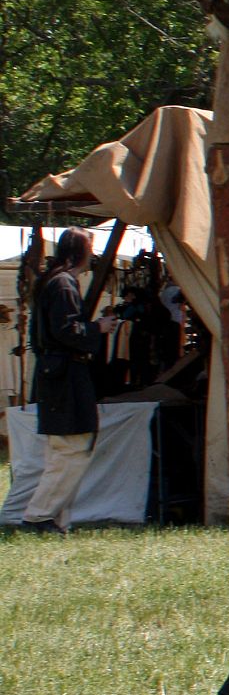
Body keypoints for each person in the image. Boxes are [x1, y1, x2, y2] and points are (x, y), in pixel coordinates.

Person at [23, 228, 113, 533]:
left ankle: (54, 517)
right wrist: (97, 329)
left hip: (56, 374)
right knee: (71, 448)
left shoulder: (54, 281)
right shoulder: (63, 284)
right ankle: (40, 516)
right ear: (81, 251)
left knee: (64, 448)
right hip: (63, 376)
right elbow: (66, 331)